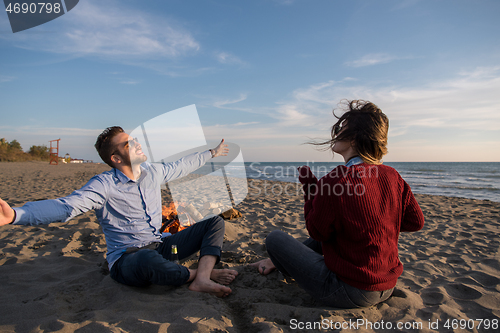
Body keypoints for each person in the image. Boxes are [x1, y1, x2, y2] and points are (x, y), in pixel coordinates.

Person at [0, 126, 238, 297]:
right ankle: (195, 274)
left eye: (134, 140)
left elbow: (181, 166)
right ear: (116, 158)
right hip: (129, 260)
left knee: (214, 222)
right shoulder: (104, 185)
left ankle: (203, 277)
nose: (136, 144)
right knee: (147, 259)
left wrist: (211, 154)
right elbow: (67, 206)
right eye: (128, 144)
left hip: (166, 248)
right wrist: (15, 215)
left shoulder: (151, 173)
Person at [251, 100, 424, 308]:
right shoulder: (392, 175)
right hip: (387, 285)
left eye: (341, 128)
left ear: (354, 138)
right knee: (338, 231)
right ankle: (274, 263)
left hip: (348, 291)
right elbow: (415, 222)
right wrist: (375, 220)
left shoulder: (337, 180)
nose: (336, 133)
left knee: (274, 239)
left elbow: (316, 231)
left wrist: (311, 191)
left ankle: (278, 262)